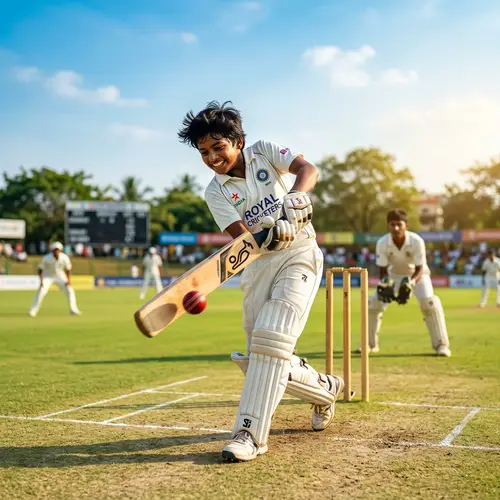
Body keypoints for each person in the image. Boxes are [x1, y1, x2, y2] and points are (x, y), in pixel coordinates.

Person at [177, 101, 344, 463]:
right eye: (204, 152)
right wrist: (268, 234)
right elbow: (242, 241)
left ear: (238, 141)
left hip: (300, 253)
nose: (212, 158)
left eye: (218, 147)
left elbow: (307, 168)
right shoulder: (215, 192)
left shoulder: (264, 152)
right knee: (260, 358)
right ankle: (325, 390)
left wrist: (297, 197)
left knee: (272, 337)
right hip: (257, 267)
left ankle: (250, 434)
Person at [364, 209, 451, 356]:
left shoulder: (416, 241)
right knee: (373, 304)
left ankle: (441, 345)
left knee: (430, 304)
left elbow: (420, 269)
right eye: (392, 225)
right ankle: (370, 345)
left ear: (406, 226)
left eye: (399, 224)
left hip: (417, 276)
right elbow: (383, 270)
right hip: (393, 275)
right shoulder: (382, 242)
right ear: (388, 226)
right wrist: (385, 283)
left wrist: (409, 284)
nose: (396, 228)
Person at [28, 242, 81, 317]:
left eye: (58, 250)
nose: (56, 251)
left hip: (60, 276)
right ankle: (33, 311)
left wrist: (68, 280)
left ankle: (73, 310)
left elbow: (68, 269)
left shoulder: (64, 257)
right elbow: (40, 270)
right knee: (41, 291)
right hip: (48, 276)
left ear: (60, 250)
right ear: (52, 251)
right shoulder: (47, 257)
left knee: (70, 290)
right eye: (55, 250)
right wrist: (41, 281)